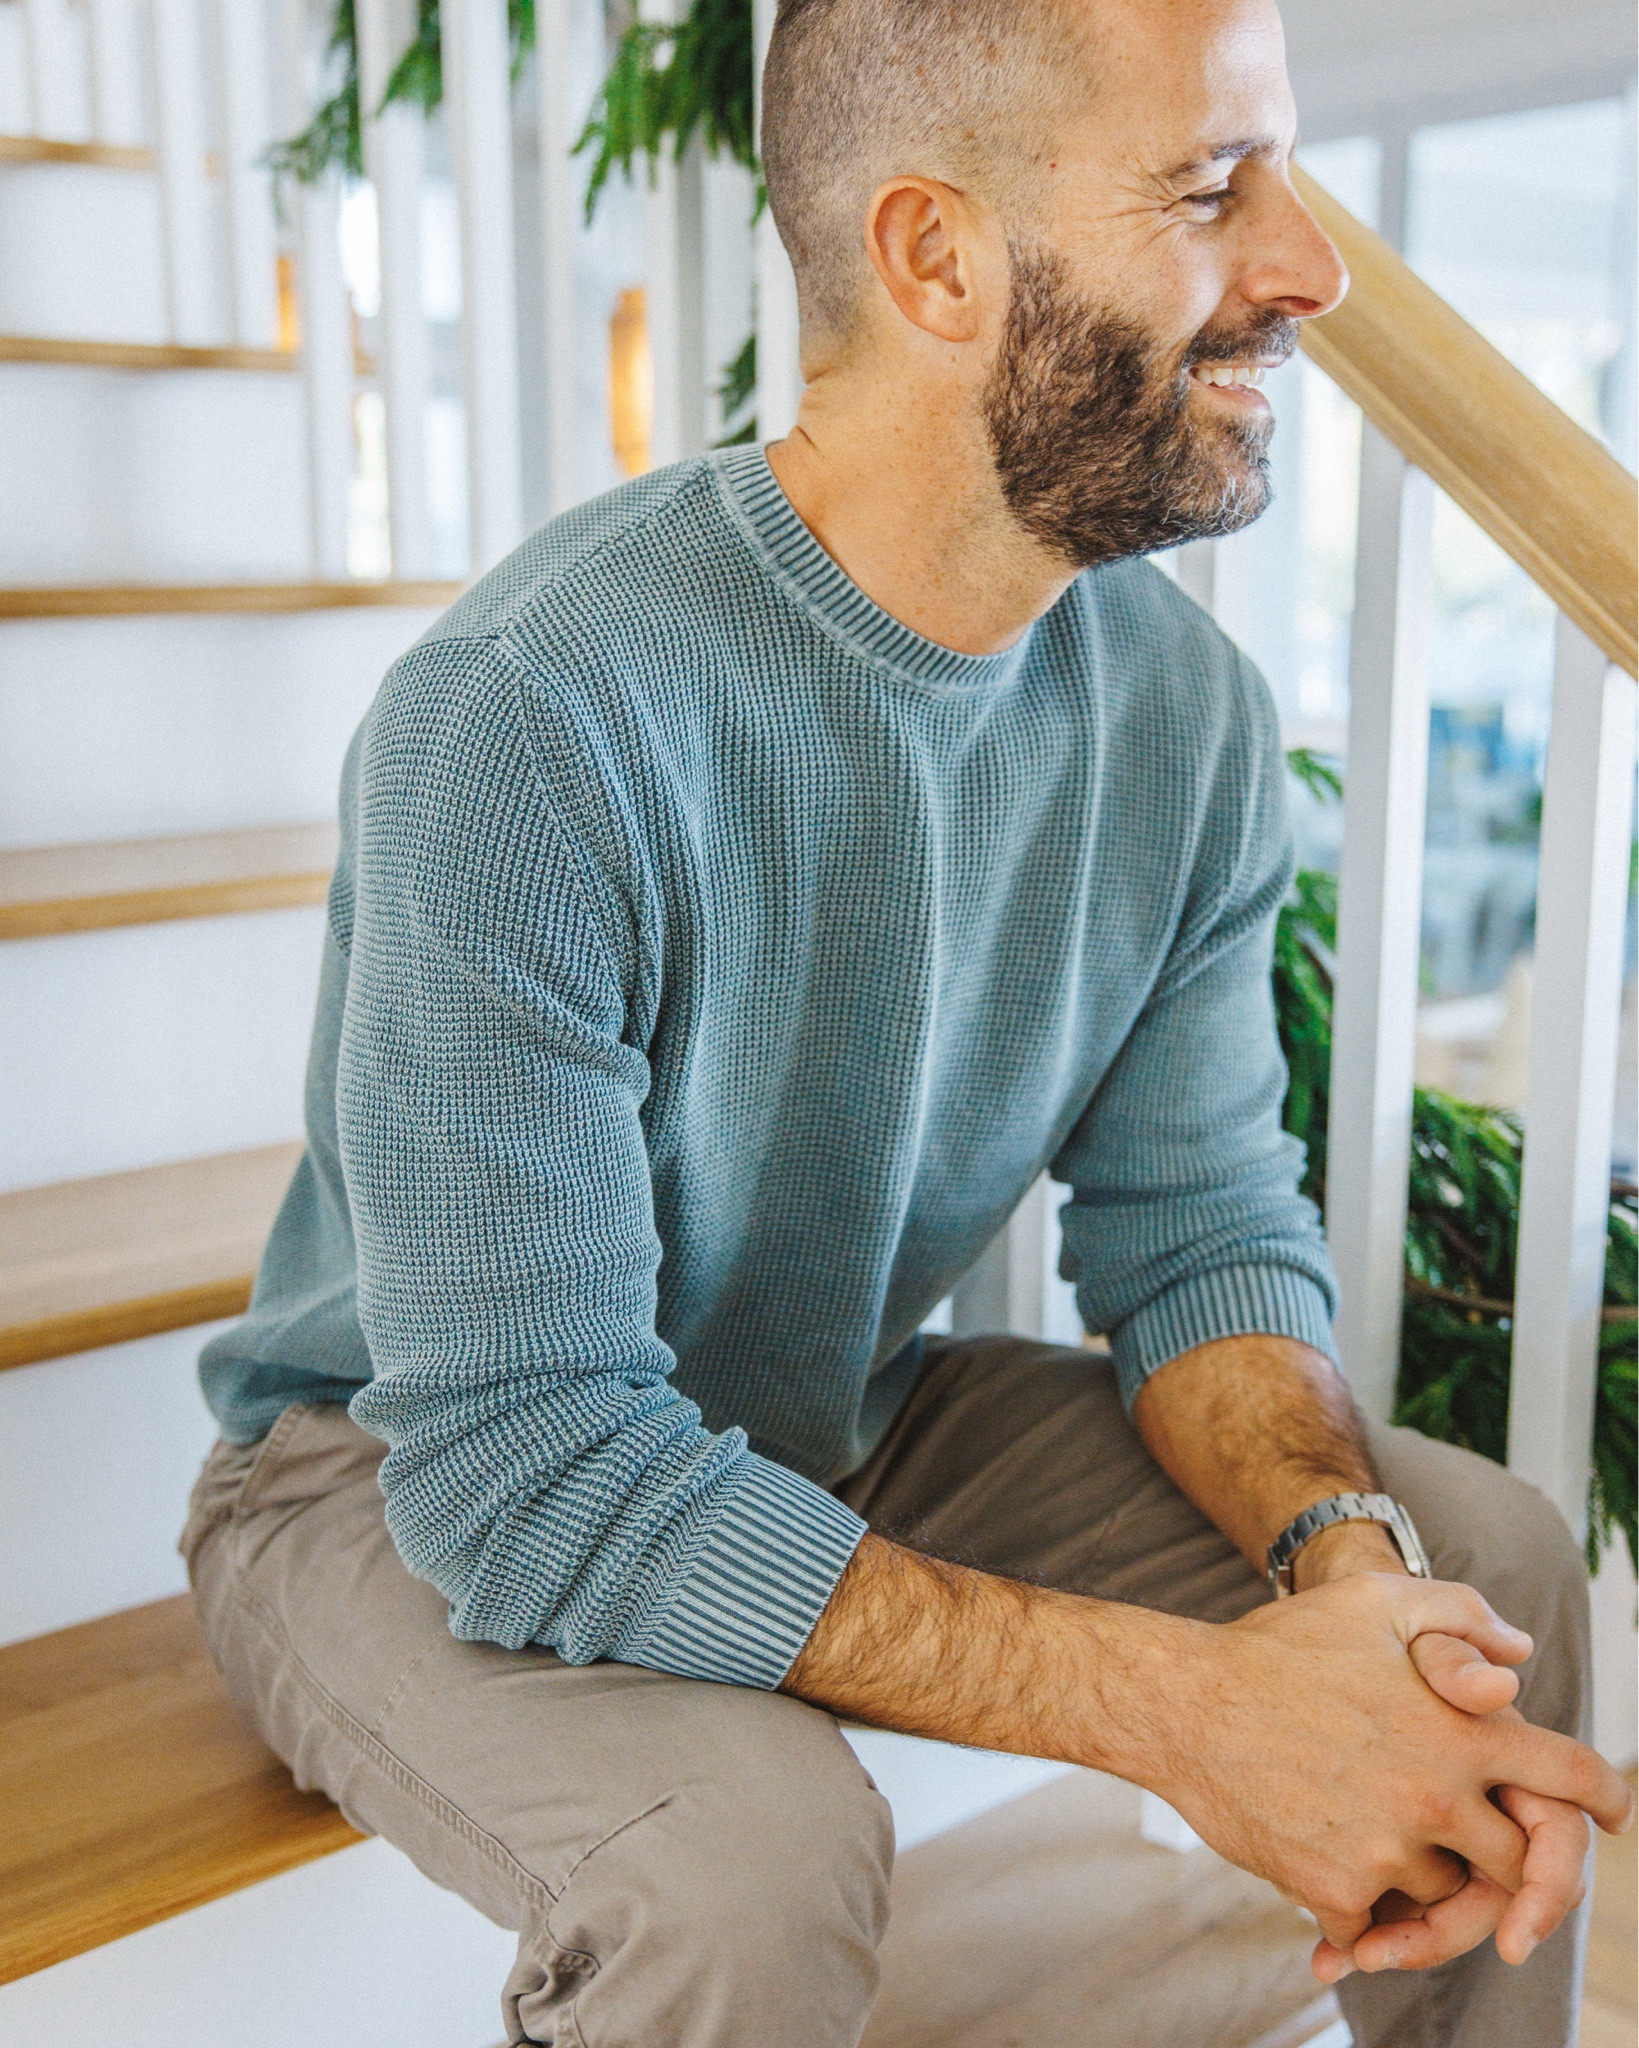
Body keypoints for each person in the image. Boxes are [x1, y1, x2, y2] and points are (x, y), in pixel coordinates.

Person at [183, 0, 1632, 2042]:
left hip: (836, 1411)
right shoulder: (530, 717)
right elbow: (532, 1465)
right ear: (936, 258)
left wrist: (1340, 1563)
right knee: (746, 1862)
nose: (1310, 266)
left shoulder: (1189, 722)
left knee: (1477, 1566)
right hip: (396, 1472)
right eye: (1211, 187)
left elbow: (1199, 1232)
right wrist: (1196, 1711)